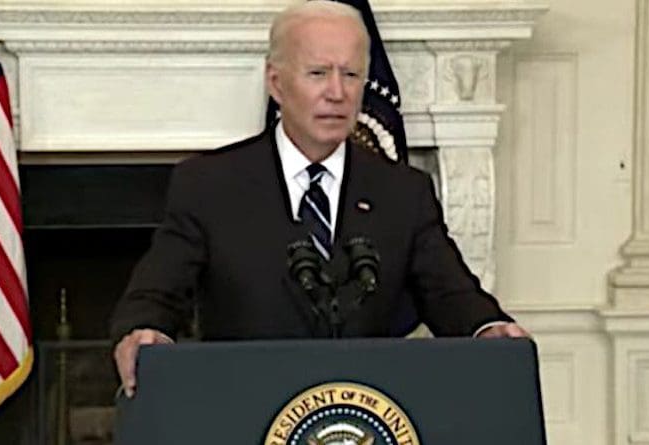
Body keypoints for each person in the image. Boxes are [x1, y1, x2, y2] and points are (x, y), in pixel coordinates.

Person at [110, 0, 528, 398]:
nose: (337, 92)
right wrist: (147, 331)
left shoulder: (403, 192)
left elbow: (451, 295)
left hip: (364, 413)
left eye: (350, 75)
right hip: (245, 407)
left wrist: (488, 327)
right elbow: (156, 294)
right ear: (276, 82)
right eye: (317, 73)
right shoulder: (208, 186)